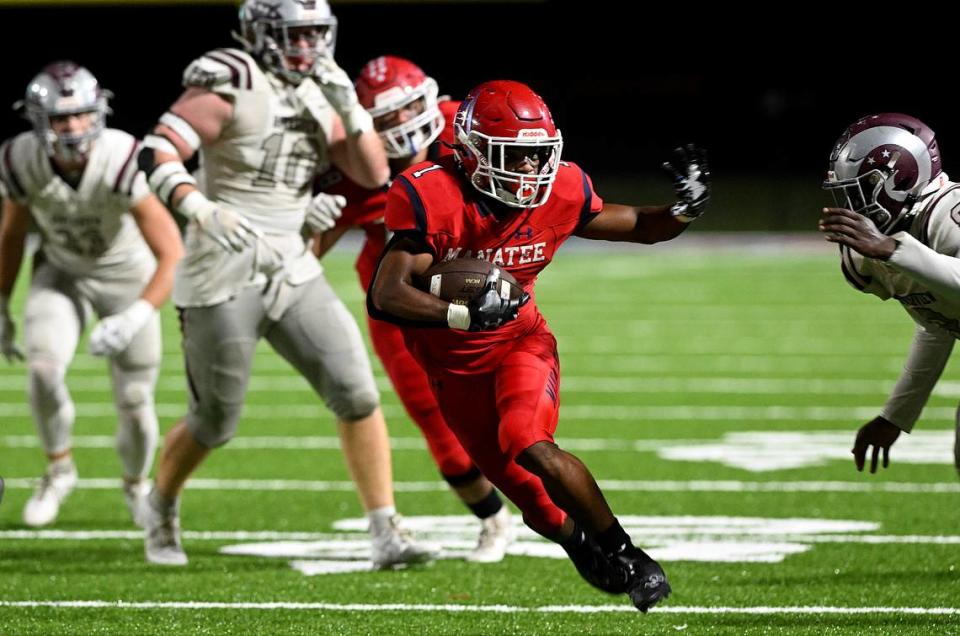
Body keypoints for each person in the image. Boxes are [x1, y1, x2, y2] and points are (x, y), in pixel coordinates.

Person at [368, 80, 711, 611]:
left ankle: (630, 555)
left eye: (536, 156)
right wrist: (457, 313)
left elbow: (640, 225)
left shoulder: (562, 189)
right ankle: (577, 544)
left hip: (520, 344)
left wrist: (683, 209)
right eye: (515, 157)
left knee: (529, 441)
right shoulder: (431, 193)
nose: (530, 172)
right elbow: (384, 294)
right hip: (452, 368)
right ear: (475, 152)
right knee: (535, 502)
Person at [136, 0, 434, 568]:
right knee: (215, 421)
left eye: (317, 33)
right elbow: (157, 150)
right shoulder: (231, 78)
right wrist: (199, 210)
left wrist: (348, 101)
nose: (308, 47)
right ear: (261, 33)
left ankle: (385, 530)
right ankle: (162, 504)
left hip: (294, 266)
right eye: (295, 35)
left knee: (357, 393)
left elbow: (372, 172)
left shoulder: (325, 90)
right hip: (223, 268)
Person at [313, 56, 513, 563]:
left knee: (513, 403)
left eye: (407, 111)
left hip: (474, 284)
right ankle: (493, 519)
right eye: (385, 119)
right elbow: (306, 253)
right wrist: (308, 219)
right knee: (436, 420)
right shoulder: (356, 168)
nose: (401, 126)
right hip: (401, 304)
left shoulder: (463, 129)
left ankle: (551, 499)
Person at [0, 61, 183, 528]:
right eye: (63, 118)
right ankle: (59, 469)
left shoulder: (122, 155)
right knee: (42, 370)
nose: (75, 126)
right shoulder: (20, 159)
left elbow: (171, 251)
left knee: (136, 402)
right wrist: (1, 304)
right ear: (40, 122)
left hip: (127, 278)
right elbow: (12, 238)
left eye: (82, 115)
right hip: (62, 271)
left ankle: (135, 485)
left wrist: (137, 314)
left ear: (98, 113)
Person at [819, 113, 960, 476]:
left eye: (859, 190)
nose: (851, 204)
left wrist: (892, 249)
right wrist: (895, 416)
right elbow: (939, 322)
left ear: (901, 178)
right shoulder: (890, 239)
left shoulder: (946, 213)